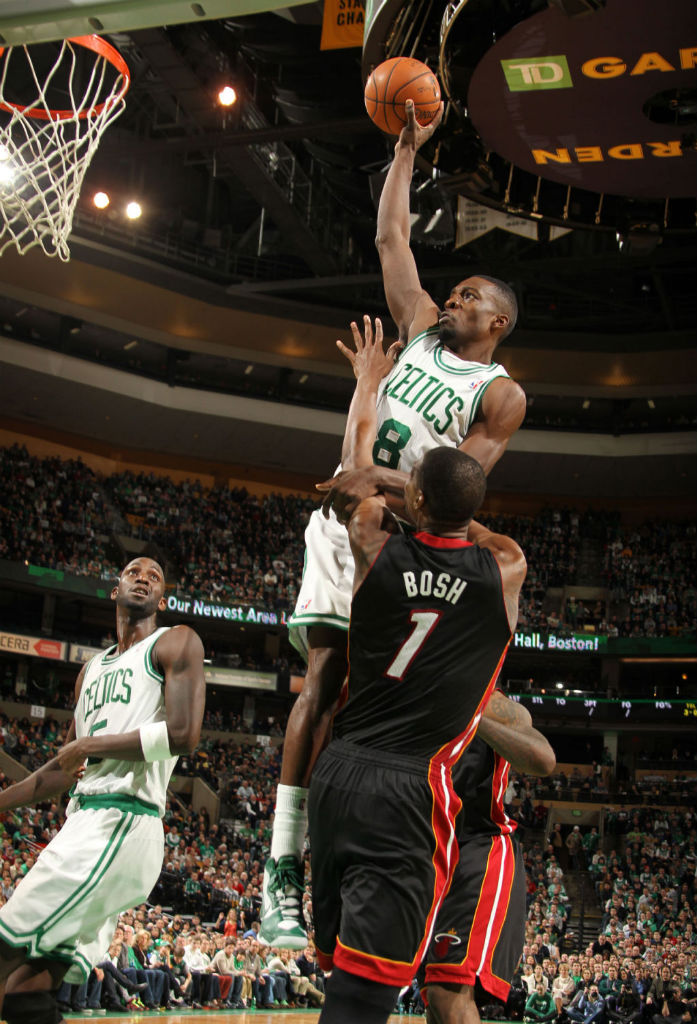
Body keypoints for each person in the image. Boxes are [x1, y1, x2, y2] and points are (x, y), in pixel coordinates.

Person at [260, 96, 527, 948]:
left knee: (371, 709)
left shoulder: (498, 394)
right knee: (323, 676)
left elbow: (449, 493)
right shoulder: (414, 327)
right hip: (348, 519)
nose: (452, 297)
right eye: (454, 290)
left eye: (471, 296)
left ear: (499, 323)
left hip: (403, 538)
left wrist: (368, 467)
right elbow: (390, 243)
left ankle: (375, 883)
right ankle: (278, 869)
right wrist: (406, 152)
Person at [305, 319, 528, 1024]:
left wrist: (370, 384)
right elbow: (473, 523)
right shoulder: (504, 568)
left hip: (336, 771)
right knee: (366, 993)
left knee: (340, 973)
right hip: (409, 787)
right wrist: (437, 498)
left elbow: (352, 477)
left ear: (411, 504)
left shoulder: (375, 542)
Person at [0, 556, 205, 1024]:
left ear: (163, 599)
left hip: (123, 819)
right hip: (84, 823)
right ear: (115, 590)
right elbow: (64, 768)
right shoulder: (89, 671)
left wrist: (92, 743)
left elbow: (184, 734)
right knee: (24, 991)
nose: (143, 578)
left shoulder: (175, 642)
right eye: (134, 572)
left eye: (154, 576)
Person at [422, 692, 556, 1024]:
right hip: (431, 856)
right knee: (435, 1001)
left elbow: (543, 759)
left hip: (479, 851)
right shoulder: (414, 690)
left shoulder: (491, 702)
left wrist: (471, 714)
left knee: (447, 991)